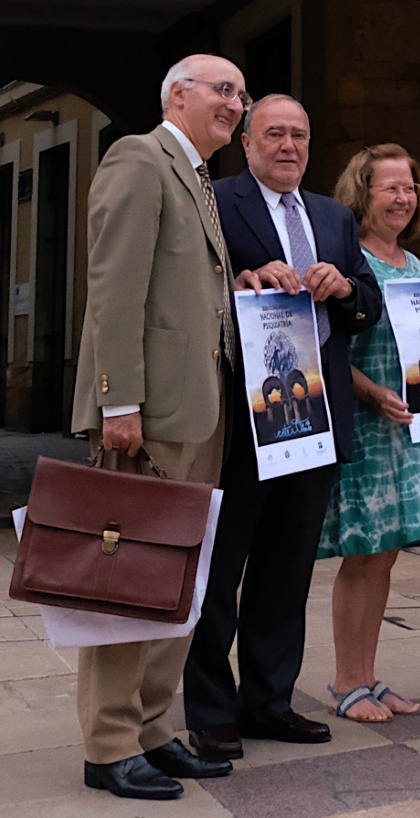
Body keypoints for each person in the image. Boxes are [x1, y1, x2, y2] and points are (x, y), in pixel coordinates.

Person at [68, 53, 246, 799]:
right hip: (149, 413)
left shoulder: (199, 178)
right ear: (178, 94)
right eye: (223, 89)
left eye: (243, 92)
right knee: (126, 581)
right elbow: (115, 286)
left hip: (201, 409)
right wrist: (118, 401)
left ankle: (150, 728)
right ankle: (108, 742)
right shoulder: (139, 158)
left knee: (177, 580)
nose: (236, 104)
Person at [184, 95, 382, 760]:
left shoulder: (331, 214)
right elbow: (187, 287)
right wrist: (241, 283)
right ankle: (211, 709)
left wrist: (346, 288)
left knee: (288, 567)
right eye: (274, 133)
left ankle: (268, 700)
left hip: (313, 414)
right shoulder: (216, 200)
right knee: (222, 565)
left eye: (299, 133)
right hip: (241, 418)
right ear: (247, 142)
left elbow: (369, 300)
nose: (289, 145)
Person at [317, 144, 420, 722]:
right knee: (361, 556)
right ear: (362, 194)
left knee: (384, 558)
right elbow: (328, 346)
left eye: (409, 188)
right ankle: (345, 682)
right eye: (389, 188)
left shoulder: (414, 265)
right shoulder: (348, 260)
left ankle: (367, 675)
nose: (403, 198)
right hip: (366, 424)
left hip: (405, 430)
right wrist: (371, 393)